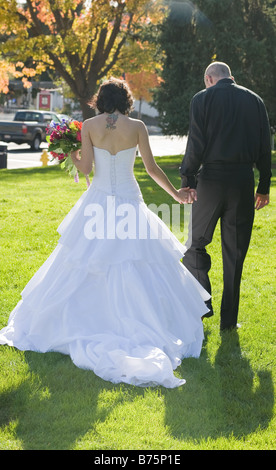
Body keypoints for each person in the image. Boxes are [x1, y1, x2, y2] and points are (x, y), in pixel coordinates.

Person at [0, 78, 210, 388]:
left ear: (100, 100)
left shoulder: (89, 126)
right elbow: (152, 168)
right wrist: (176, 196)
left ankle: (86, 319)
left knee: (85, 260)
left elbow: (85, 169)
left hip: (97, 200)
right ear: (126, 100)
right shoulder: (137, 126)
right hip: (129, 199)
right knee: (138, 261)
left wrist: (68, 154)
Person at [180, 62, 272, 332]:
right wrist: (264, 185)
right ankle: (228, 322)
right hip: (243, 182)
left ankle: (203, 302)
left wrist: (188, 180)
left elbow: (195, 141)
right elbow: (265, 144)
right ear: (231, 77)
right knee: (235, 255)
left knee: (194, 244)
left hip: (211, 181)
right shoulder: (255, 100)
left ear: (209, 78)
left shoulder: (202, 99)